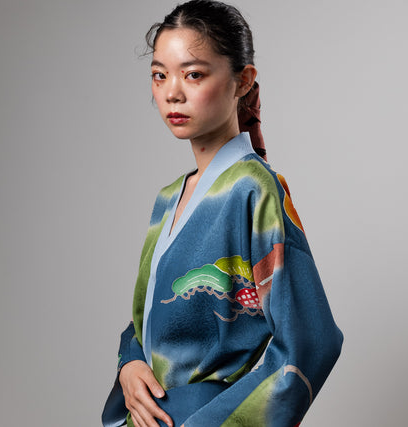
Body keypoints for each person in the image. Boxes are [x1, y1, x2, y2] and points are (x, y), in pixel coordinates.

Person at [101, 1, 343, 426]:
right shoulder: (168, 199)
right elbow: (150, 319)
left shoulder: (254, 189)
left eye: (193, 74)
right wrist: (131, 361)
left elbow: (311, 341)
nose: (172, 92)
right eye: (160, 75)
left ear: (242, 80)